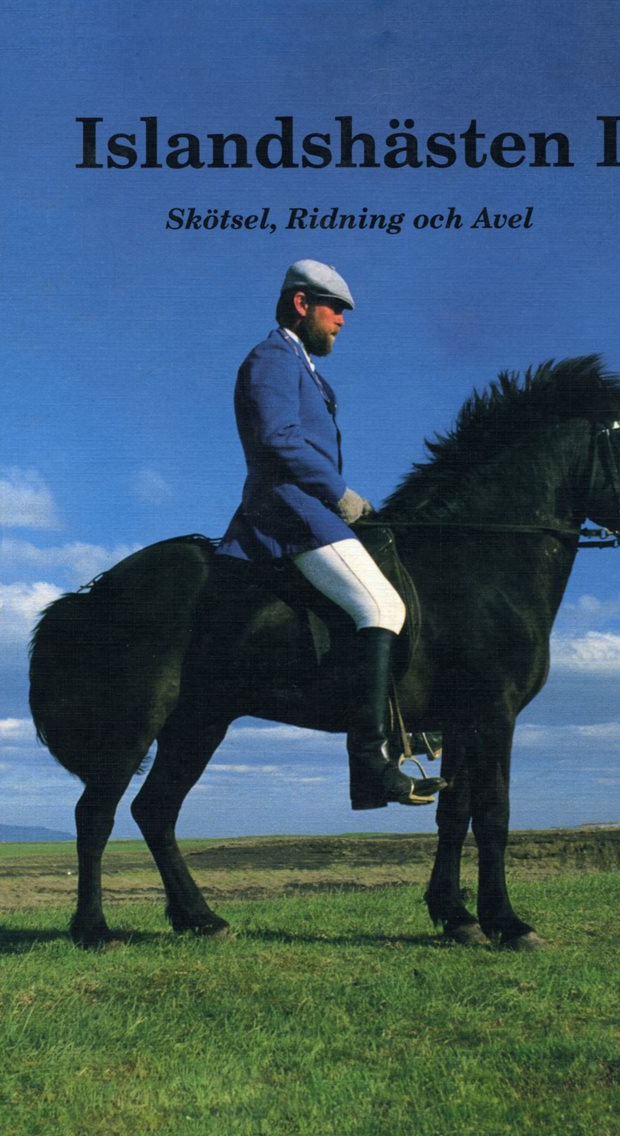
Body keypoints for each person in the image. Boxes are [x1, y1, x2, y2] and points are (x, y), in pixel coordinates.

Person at [217, 260, 445, 811]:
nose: (341, 321)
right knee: (381, 606)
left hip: (312, 508)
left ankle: (404, 726)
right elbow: (278, 438)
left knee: (394, 578)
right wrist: (339, 492)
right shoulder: (272, 358)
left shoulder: (305, 367)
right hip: (287, 509)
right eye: (334, 309)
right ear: (302, 304)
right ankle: (370, 760)